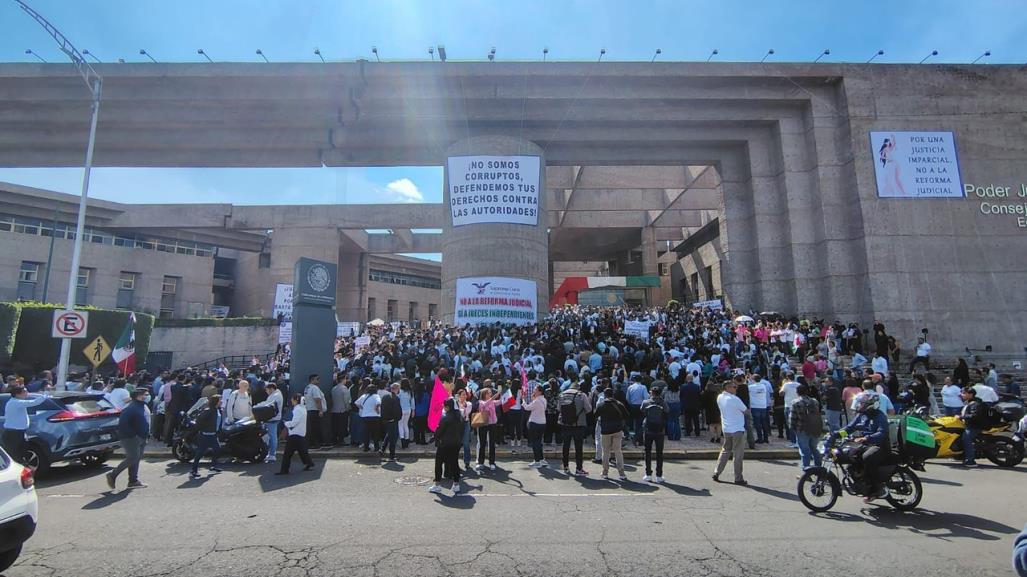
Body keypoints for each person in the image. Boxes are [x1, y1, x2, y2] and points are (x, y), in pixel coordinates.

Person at [837, 392, 890, 502]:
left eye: (861, 404)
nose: (858, 406)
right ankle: (864, 485)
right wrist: (836, 434)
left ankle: (879, 487)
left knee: (867, 457)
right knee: (851, 457)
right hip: (865, 445)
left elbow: (882, 433)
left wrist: (867, 438)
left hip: (880, 445)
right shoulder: (861, 415)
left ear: (870, 405)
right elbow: (849, 428)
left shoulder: (880, 416)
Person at [107, 387, 150, 490]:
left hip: (142, 437)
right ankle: (113, 474)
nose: (147, 396)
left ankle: (133, 481)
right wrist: (134, 436)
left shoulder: (142, 406)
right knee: (133, 458)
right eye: (145, 394)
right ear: (139, 396)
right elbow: (124, 424)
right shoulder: (130, 408)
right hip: (132, 438)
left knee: (136, 459)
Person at [713, 376, 748, 485]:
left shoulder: (720, 397)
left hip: (727, 428)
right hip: (737, 428)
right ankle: (738, 477)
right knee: (738, 454)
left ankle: (717, 472)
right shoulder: (735, 399)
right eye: (734, 387)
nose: (735, 388)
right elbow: (746, 411)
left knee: (725, 450)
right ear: (728, 388)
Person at [1, 385, 47, 465]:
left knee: (21, 454)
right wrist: (45, 395)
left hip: (19, 432)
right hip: (13, 434)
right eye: (25, 391)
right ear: (17, 394)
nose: (27, 393)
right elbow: (34, 402)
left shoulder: (17, 402)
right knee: (15, 456)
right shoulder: (15, 402)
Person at [428, 398, 463, 494]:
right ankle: (456, 484)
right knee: (454, 463)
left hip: (445, 444)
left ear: (447, 407)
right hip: (456, 443)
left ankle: (437, 484)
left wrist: (434, 438)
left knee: (438, 463)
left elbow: (439, 431)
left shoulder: (444, 417)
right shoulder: (459, 416)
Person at [276, 393, 315, 475]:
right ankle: (309, 463)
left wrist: (286, 423)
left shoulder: (297, 410)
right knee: (302, 451)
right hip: (300, 433)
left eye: (292, 399)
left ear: (296, 400)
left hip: (294, 434)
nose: (291, 401)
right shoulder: (303, 409)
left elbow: (294, 422)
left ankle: (284, 470)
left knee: (287, 454)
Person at [559, 380, 592, 476]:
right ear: (578, 388)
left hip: (565, 424)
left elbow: (558, 408)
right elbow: (589, 409)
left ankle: (565, 467)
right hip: (578, 424)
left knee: (566, 446)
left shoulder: (562, 395)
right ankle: (579, 468)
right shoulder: (582, 395)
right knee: (578, 447)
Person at [595, 386, 628, 481]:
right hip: (617, 430)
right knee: (618, 451)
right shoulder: (619, 404)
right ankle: (621, 472)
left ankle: (605, 472)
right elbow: (626, 415)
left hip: (605, 430)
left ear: (604, 395)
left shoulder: (601, 405)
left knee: (605, 451)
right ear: (613, 394)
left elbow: (595, 415)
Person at [789, 384, 824, 473]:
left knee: (805, 451)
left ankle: (806, 472)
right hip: (814, 427)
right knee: (815, 449)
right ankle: (819, 469)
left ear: (797, 392)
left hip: (802, 428)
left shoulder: (795, 402)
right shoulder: (815, 401)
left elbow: (792, 418)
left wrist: (792, 428)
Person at [189, 395, 223, 480]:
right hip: (205, 435)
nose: (221, 402)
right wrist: (202, 429)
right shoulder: (208, 411)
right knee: (200, 453)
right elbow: (199, 420)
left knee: (217, 449)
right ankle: (194, 470)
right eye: (220, 400)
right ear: (216, 402)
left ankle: (213, 467)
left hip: (213, 435)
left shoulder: (217, 410)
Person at [641, 386, 668, 483]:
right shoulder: (663, 403)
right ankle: (659, 475)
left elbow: (642, 411)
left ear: (651, 392)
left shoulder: (646, 402)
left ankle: (648, 474)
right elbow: (667, 412)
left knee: (647, 452)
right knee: (659, 453)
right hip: (660, 431)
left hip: (648, 430)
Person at [958, 386, 988, 468]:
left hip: (974, 426)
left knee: (966, 438)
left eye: (964, 393)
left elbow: (974, 416)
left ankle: (970, 460)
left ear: (970, 394)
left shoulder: (975, 403)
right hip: (968, 424)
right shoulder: (969, 402)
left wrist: (961, 417)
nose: (962, 395)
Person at [254, 382, 283, 463]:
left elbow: (267, 405)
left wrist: (257, 406)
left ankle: (272, 454)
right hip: (275, 418)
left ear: (271, 389)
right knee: (272, 436)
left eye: (267, 390)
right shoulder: (277, 393)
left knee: (272, 436)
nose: (266, 392)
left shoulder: (274, 396)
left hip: (272, 419)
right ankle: (271, 453)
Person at [522, 385, 548, 468]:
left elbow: (527, 408)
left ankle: (537, 461)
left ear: (540, 392)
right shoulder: (543, 399)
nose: (533, 391)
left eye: (535, 390)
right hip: (542, 423)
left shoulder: (537, 401)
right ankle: (541, 459)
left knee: (535, 443)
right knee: (539, 442)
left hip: (535, 423)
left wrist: (523, 401)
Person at [475, 386, 499, 472]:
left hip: (492, 424)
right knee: (482, 443)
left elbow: (499, 402)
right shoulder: (481, 402)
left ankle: (492, 462)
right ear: (484, 394)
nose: (490, 394)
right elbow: (484, 405)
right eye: (488, 393)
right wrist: (493, 398)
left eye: (490, 393)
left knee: (492, 443)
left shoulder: (492, 402)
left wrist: (505, 396)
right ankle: (481, 462)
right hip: (483, 424)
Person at [303, 374, 328, 449]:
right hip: (315, 410)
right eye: (317, 379)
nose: (318, 381)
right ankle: (315, 444)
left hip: (309, 410)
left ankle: (310, 444)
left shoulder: (307, 388)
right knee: (315, 428)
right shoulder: (314, 388)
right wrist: (320, 410)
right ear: (312, 379)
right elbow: (317, 399)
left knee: (311, 428)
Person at [356, 384, 382, 452]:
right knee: (375, 433)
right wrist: (376, 409)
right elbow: (378, 403)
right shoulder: (376, 396)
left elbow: (356, 403)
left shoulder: (364, 396)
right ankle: (376, 447)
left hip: (365, 416)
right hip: (375, 416)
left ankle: (366, 447)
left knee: (366, 433)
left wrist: (362, 408)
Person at [380, 382, 402, 462]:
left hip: (385, 419)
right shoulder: (396, 398)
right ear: (396, 389)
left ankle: (382, 449)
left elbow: (382, 408)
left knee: (389, 434)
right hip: (392, 420)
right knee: (393, 438)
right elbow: (397, 411)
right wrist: (397, 418)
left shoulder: (385, 396)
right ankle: (392, 456)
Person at [626, 376, 649, 446]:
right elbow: (646, 398)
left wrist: (631, 404)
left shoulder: (630, 387)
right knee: (640, 424)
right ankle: (639, 440)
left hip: (632, 406)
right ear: (641, 380)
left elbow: (627, 398)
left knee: (632, 424)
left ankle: (633, 438)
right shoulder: (643, 387)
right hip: (640, 406)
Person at [330, 375, 351, 446]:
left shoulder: (333, 388)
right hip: (342, 410)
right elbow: (346, 401)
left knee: (335, 426)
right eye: (345, 379)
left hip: (334, 410)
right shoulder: (344, 389)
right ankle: (341, 441)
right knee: (342, 426)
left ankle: (334, 440)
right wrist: (348, 409)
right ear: (343, 380)